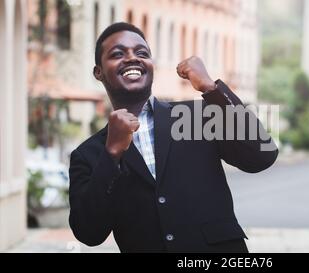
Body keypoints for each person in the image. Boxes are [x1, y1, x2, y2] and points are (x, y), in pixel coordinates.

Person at [69, 22, 278, 253]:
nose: (132, 58)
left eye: (142, 53)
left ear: (151, 65)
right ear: (98, 72)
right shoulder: (88, 155)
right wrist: (111, 155)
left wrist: (211, 88)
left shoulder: (195, 117)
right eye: (118, 54)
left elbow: (262, 155)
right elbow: (89, 233)